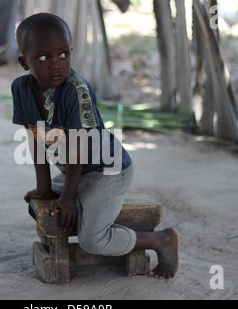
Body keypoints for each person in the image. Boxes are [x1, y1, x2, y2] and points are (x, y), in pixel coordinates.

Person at [11, 13, 178, 279]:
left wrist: (67, 197)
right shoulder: (21, 88)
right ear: (24, 62)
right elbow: (35, 138)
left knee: (93, 240)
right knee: (39, 203)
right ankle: (72, 204)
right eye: (44, 57)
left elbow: (78, 147)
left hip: (107, 171)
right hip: (76, 171)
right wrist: (44, 188)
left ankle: (161, 241)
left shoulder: (76, 91)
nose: (56, 64)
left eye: (63, 55)